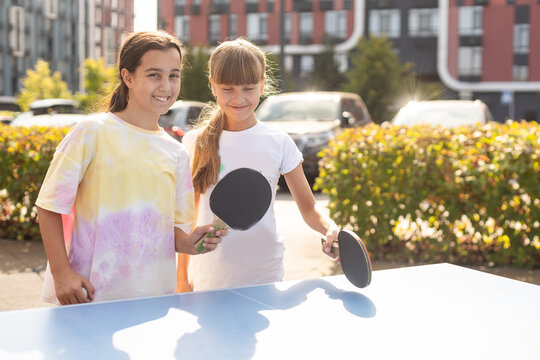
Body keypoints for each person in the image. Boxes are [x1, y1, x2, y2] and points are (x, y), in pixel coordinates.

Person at [36, 31, 224, 305]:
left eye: (173, 75)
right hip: (89, 297)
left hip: (153, 301)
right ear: (128, 77)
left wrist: (193, 242)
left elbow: (175, 236)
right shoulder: (92, 132)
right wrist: (62, 273)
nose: (166, 86)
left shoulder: (177, 153)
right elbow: (49, 205)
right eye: (154, 75)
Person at [176, 38, 340, 292]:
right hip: (209, 279)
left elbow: (309, 209)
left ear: (262, 85)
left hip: (265, 275)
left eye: (248, 88)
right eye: (227, 88)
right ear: (213, 86)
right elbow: (187, 220)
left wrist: (330, 228)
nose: (238, 98)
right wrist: (181, 280)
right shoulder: (194, 142)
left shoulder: (279, 143)